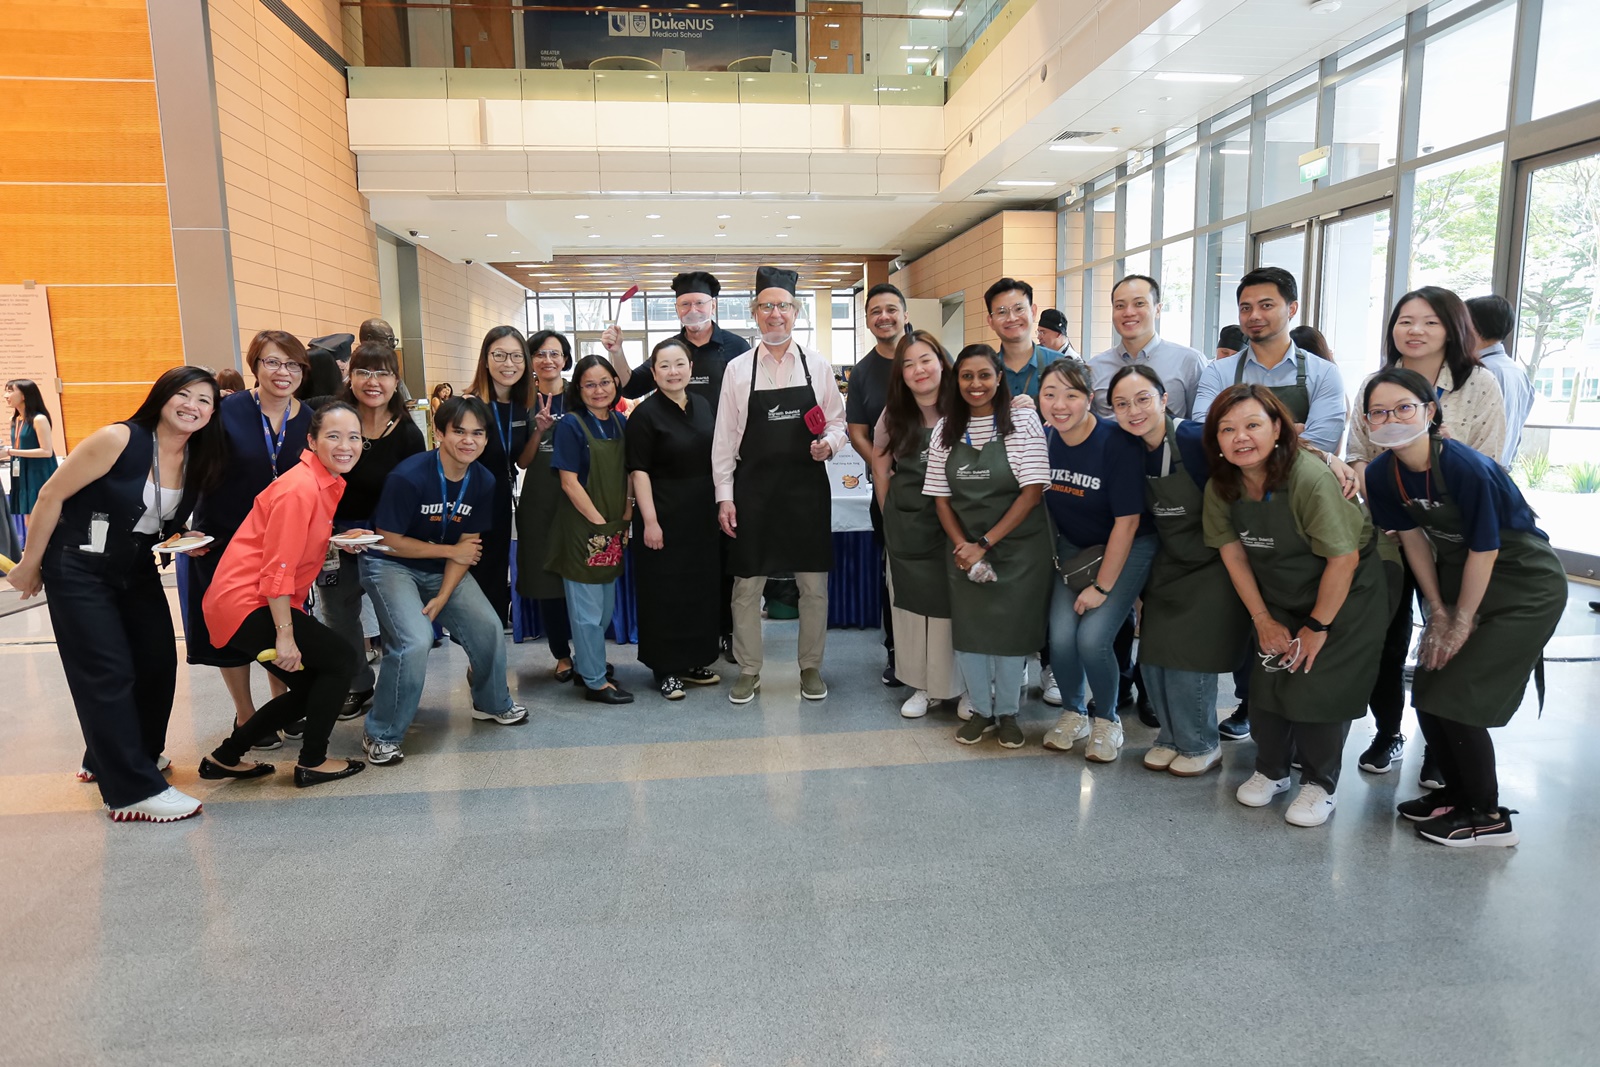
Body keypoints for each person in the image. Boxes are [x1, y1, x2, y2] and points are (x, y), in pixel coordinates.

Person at [5, 368, 226, 822]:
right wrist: (30, 564)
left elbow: (152, 517)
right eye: (183, 395)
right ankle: (131, 790)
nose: (193, 406)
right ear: (162, 397)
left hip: (135, 568)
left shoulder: (195, 455)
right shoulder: (120, 439)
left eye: (205, 400)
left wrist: (185, 537)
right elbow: (50, 495)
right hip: (78, 568)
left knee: (157, 662)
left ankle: (118, 754)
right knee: (106, 671)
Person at [1362, 368, 1566, 847]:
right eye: (1379, 411)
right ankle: (1455, 794)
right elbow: (1413, 541)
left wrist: (1462, 619)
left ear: (1429, 412)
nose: (1391, 418)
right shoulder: (1380, 474)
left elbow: (1485, 549)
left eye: (1404, 408)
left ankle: (1489, 816)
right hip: (1460, 582)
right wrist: (1436, 610)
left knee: (1460, 694)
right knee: (1430, 687)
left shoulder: (1465, 467)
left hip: (1522, 586)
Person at [1202, 385, 1388, 827]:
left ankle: (1321, 785)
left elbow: (1342, 559)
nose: (1240, 437)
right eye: (1227, 429)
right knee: (1266, 679)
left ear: (1278, 430)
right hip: (1280, 591)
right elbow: (1233, 553)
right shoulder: (1223, 485)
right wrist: (1263, 618)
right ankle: (1271, 770)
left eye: (1252, 425)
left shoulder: (1308, 477)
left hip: (1347, 590)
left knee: (1316, 681)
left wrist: (1318, 626)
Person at [1345, 287, 1507, 784]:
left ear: (1453, 327)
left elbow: (1490, 463)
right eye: (1404, 321)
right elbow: (1359, 451)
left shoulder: (1477, 383)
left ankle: (1441, 745)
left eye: (1429, 322)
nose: (1414, 331)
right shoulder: (1378, 383)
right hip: (1394, 532)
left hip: (1459, 543)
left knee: (1452, 639)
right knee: (1390, 640)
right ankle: (1388, 730)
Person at [199, 402, 369, 788]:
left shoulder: (321, 481)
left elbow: (293, 545)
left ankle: (226, 757)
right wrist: (286, 635)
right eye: (334, 436)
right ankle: (313, 761)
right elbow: (278, 568)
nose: (346, 445)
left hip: (247, 600)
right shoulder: (300, 488)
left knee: (312, 684)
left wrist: (338, 540)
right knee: (340, 661)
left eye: (355, 437)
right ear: (310, 440)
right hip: (250, 601)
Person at [360, 396, 528, 765]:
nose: (469, 440)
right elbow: (387, 540)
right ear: (438, 433)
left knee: (487, 626)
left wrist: (443, 597)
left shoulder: (482, 480)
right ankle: (381, 733)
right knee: (415, 640)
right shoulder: (409, 476)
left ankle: (490, 701)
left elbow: (467, 547)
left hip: (443, 569)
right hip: (390, 565)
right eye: (459, 431)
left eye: (478, 433)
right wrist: (447, 553)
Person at [712, 266, 848, 704]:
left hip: (806, 491)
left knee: (813, 586)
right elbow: (724, 442)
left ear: (796, 311)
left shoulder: (817, 365)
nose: (776, 314)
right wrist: (725, 498)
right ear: (755, 313)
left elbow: (837, 422)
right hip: (753, 492)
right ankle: (749, 669)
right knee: (746, 586)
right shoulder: (737, 370)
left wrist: (829, 443)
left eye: (784, 306)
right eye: (767, 306)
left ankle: (810, 666)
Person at [1107, 366, 1251, 776]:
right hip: (1169, 561)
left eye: (1143, 399)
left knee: (1191, 657)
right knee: (1153, 655)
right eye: (1122, 404)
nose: (1134, 411)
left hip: (1213, 560)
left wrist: (1329, 457)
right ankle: (1169, 738)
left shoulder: (1193, 439)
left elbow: (1245, 473)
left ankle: (1201, 743)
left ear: (1164, 399)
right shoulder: (1126, 446)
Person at [185, 330, 315, 746]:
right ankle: (246, 716)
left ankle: (283, 706)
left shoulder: (310, 419)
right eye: (272, 362)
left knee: (283, 625)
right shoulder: (225, 412)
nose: (283, 372)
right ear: (255, 365)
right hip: (224, 537)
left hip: (284, 544)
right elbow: (190, 466)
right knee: (231, 632)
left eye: (292, 364)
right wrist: (180, 526)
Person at [924, 344, 1053, 748]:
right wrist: (964, 544)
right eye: (966, 376)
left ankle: (1010, 714)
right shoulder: (945, 430)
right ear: (956, 381)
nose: (975, 384)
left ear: (999, 379)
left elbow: (1031, 493)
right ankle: (982, 711)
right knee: (971, 633)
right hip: (963, 549)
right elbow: (941, 498)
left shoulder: (1022, 421)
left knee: (1011, 636)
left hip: (1019, 549)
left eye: (984, 375)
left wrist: (984, 542)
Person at [1036, 359, 1159, 763]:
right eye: (1050, 394)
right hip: (1073, 552)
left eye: (1071, 395)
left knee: (1092, 639)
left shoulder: (1115, 442)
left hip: (1125, 548)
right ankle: (1074, 713)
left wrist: (1102, 587)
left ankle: (1107, 719)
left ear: (1090, 399)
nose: (1060, 404)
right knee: (1060, 639)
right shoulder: (1047, 439)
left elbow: (1127, 522)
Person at [315, 342, 426, 720]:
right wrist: (332, 532)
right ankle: (358, 684)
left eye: (383, 373)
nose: (373, 381)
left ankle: (396, 688)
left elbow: (415, 492)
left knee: (393, 616)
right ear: (351, 375)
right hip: (335, 536)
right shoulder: (335, 419)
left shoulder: (408, 434)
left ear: (396, 380)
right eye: (364, 371)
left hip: (388, 538)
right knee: (338, 614)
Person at [870, 330, 970, 719]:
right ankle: (923, 686)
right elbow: (880, 459)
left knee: (955, 605)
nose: (918, 370)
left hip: (957, 524)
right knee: (912, 608)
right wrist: (888, 507)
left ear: (942, 362)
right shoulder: (894, 412)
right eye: (908, 364)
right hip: (909, 523)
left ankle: (963, 687)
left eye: (925, 360)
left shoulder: (965, 406)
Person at [627, 339, 723, 700]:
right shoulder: (645, 414)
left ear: (691, 368)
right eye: (664, 365)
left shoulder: (703, 405)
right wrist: (650, 521)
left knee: (699, 589)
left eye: (679, 364)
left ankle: (694, 659)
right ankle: (664, 667)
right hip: (662, 514)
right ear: (653, 373)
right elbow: (639, 472)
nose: (673, 371)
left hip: (700, 513)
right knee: (663, 592)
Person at [548, 354, 634, 704]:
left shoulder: (620, 422)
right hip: (585, 530)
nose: (598, 390)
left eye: (604, 382)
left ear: (615, 383)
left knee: (605, 607)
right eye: (589, 384)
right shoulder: (570, 425)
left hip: (613, 527)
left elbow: (629, 473)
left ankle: (588, 663)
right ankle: (595, 681)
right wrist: (600, 525)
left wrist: (625, 517)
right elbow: (569, 483)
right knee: (587, 612)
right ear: (578, 389)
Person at [1192, 268, 1348, 453]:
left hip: (1301, 481)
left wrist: (1242, 443)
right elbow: (1204, 434)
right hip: (1234, 481)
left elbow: (1321, 444)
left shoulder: (1324, 373)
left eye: (1266, 306)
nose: (1254, 315)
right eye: (1246, 308)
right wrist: (1291, 432)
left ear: (1292, 308)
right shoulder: (1218, 372)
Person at [847, 282, 909, 688]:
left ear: (904, 313)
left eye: (891, 309)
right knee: (894, 570)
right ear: (867, 320)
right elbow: (856, 431)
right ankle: (897, 653)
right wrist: (881, 467)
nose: (883, 317)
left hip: (940, 487)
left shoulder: (930, 356)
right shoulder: (864, 371)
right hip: (888, 490)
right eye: (875, 312)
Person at [516, 330, 578, 680]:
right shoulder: (522, 400)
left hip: (579, 497)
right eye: (539, 353)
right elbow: (523, 462)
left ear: (565, 359)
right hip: (540, 500)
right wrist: (538, 431)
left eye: (555, 353)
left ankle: (587, 649)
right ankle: (561, 654)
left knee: (582, 578)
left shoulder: (581, 395)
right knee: (548, 582)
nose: (547, 360)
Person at [466, 325, 538, 626]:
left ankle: (490, 651)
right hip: (471, 502)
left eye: (516, 356)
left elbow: (520, 461)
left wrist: (540, 431)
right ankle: (477, 651)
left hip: (501, 498)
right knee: (474, 574)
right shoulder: (470, 405)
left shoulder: (523, 407)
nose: (509, 364)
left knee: (496, 573)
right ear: (485, 359)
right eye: (500, 355)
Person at [612, 270, 751, 408]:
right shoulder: (668, 350)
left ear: (713, 306)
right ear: (676, 309)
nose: (693, 311)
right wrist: (617, 352)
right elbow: (631, 388)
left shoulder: (738, 347)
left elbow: (751, 396)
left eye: (699, 303)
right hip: (675, 429)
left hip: (724, 430)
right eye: (685, 304)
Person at [1087, 275, 1206, 419]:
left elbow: (1200, 426)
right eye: (1120, 306)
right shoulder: (1094, 367)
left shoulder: (1189, 362)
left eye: (1139, 304)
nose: (1128, 312)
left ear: (1158, 309)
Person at [1465, 294, 1534, 470]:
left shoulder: (1480, 373)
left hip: (1478, 470)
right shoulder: (1518, 372)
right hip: (1500, 468)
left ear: (1474, 326)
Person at [985, 277, 1070, 408]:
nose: (1011, 318)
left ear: (1033, 312)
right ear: (991, 321)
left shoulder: (1061, 365)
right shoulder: (985, 372)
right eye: (1002, 312)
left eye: (1019, 309)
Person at [3, 378, 56, 533]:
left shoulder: (39, 419)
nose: (6, 395)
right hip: (22, 471)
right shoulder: (15, 419)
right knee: (29, 521)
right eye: (6, 391)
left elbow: (46, 451)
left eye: (10, 391)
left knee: (41, 520)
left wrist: (10, 452)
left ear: (24, 395)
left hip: (38, 472)